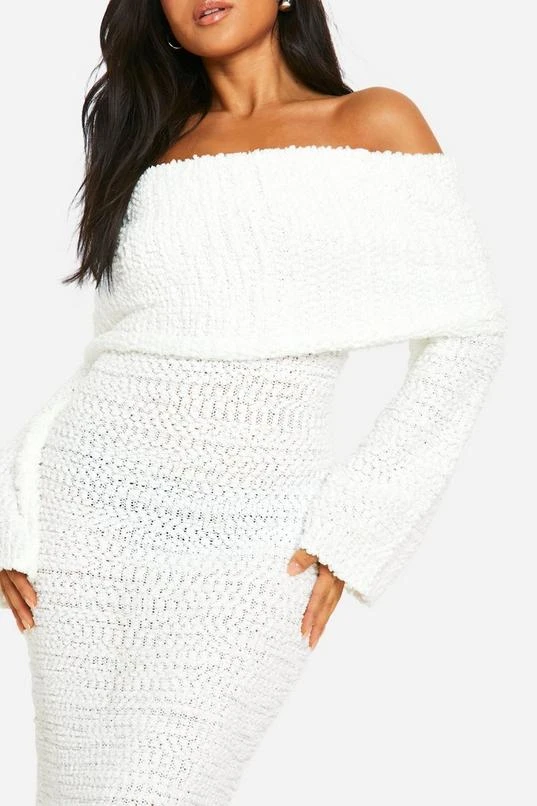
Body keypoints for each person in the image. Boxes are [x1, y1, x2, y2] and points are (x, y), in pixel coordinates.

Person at [0, 0, 507, 803]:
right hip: (87, 522)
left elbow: (467, 336)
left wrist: (356, 522)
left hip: (257, 538)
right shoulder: (147, 143)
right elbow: (117, 348)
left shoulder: (372, 121)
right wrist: (16, 504)